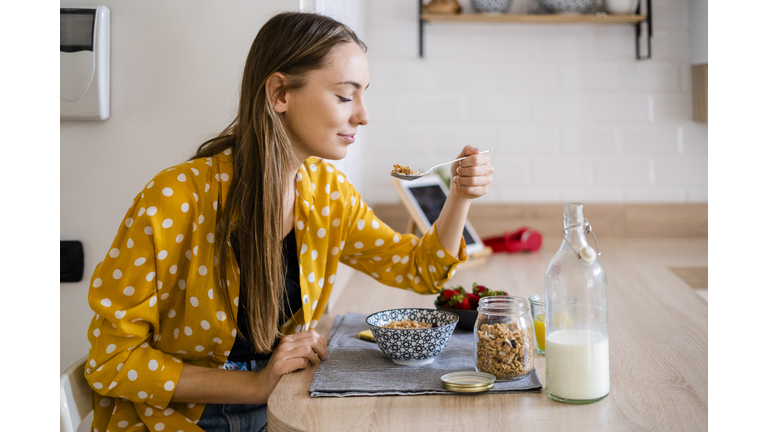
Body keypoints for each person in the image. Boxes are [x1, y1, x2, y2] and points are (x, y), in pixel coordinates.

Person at [84, 11, 493, 432]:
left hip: (283, 404)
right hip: (177, 418)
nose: (363, 115)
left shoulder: (328, 194)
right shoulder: (174, 199)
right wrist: (255, 385)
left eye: (363, 94)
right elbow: (112, 360)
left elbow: (419, 270)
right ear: (280, 93)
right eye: (344, 96)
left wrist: (459, 196)